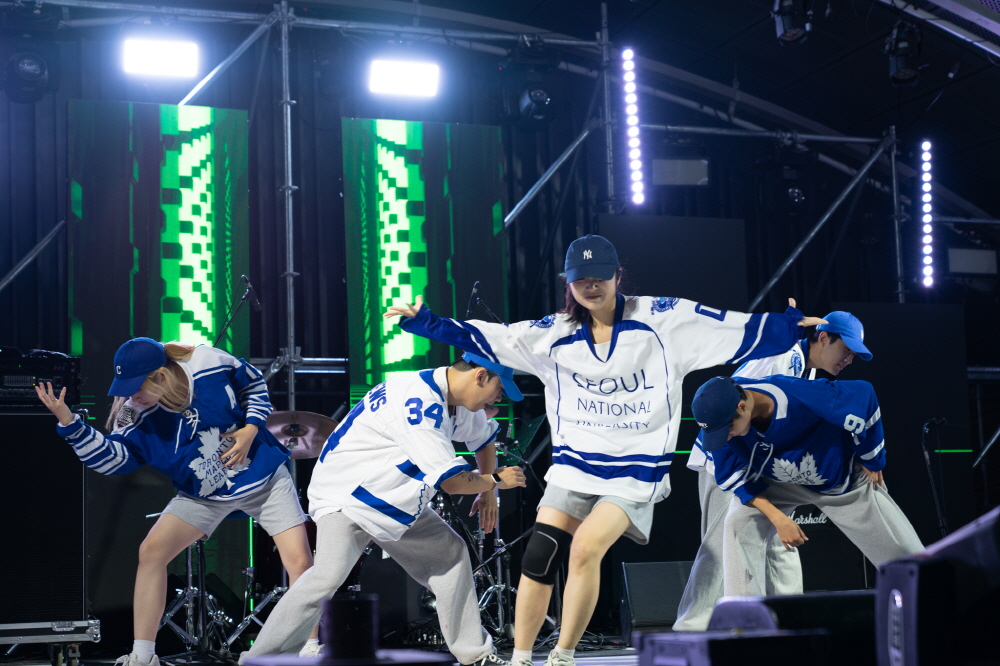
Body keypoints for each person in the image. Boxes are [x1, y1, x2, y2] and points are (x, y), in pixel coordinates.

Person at [383, 234, 827, 666]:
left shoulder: (662, 321)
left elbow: (727, 327)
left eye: (599, 277)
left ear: (617, 275)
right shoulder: (553, 335)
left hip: (636, 469)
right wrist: (426, 322)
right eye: (581, 279)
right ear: (568, 283)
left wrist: (788, 327)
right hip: (576, 464)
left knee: (585, 549)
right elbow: (494, 338)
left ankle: (563, 655)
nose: (591, 286)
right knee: (540, 553)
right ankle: (521, 658)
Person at [34, 338, 315, 666]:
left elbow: (253, 384)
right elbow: (112, 460)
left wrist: (251, 428)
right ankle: (143, 656)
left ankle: (310, 648)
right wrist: (69, 423)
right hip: (203, 494)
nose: (131, 396)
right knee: (151, 553)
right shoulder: (133, 413)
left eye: (137, 387)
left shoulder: (208, 362)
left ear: (161, 377)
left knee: (299, 562)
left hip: (262, 478)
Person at [240, 352, 527, 666]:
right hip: (347, 493)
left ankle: (475, 655)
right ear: (480, 375)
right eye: (500, 388)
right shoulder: (420, 405)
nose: (499, 398)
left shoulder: (453, 396)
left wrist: (486, 495)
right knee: (327, 577)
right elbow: (454, 484)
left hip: (389, 496)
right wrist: (495, 480)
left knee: (450, 555)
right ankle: (260, 659)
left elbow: (483, 440)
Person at [673, 310, 873, 631]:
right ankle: (693, 629)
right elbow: (726, 402)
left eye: (854, 355)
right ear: (823, 338)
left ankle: (789, 621)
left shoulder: (805, 373)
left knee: (780, 541)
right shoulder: (782, 355)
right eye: (846, 350)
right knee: (722, 542)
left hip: (761, 463)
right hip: (726, 456)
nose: (849, 359)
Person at [691, 374, 923, 598]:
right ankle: (743, 623)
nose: (726, 438)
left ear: (742, 407)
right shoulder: (719, 422)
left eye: (728, 430)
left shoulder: (799, 394)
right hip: (779, 482)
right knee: (738, 521)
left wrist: (871, 457)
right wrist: (778, 519)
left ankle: (934, 607)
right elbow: (737, 479)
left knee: (903, 552)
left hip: (839, 482)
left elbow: (864, 394)